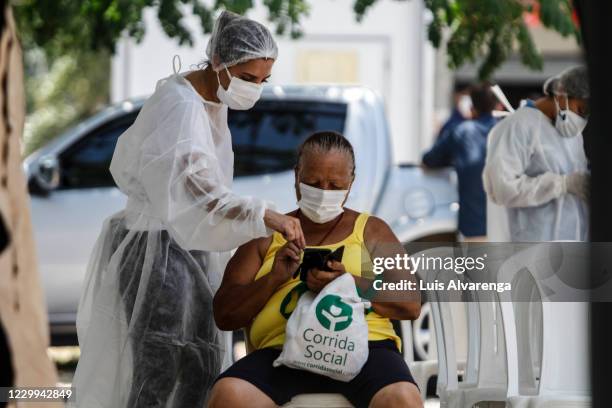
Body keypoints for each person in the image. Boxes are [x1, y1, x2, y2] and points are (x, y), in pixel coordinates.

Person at [72, 11, 306, 408]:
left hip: (186, 247)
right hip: (156, 250)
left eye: (263, 81)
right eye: (248, 78)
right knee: (159, 368)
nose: (255, 89)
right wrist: (265, 215)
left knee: (201, 360)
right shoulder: (179, 105)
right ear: (218, 61)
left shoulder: (211, 101)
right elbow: (198, 194)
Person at [209, 132, 422, 408]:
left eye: (335, 185)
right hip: (281, 350)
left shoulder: (371, 229)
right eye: (313, 183)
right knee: (228, 394)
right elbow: (224, 314)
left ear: (351, 182)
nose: (324, 192)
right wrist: (275, 277)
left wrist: (349, 283)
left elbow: (410, 302)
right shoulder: (266, 236)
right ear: (297, 176)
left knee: (402, 399)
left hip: (367, 348)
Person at [483, 66, 590, 242]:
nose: (582, 120)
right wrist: (562, 184)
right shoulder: (517, 127)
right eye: (581, 110)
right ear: (561, 94)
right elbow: (502, 190)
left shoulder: (572, 136)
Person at [422, 83, 498, 241]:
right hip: (508, 227)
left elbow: (430, 160)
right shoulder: (507, 130)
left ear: (471, 107)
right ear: (497, 105)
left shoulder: (461, 131)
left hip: (474, 227)